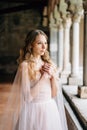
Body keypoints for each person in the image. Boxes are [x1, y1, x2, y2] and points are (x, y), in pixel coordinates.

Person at [0, 29, 68, 130]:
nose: (44, 47)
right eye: (39, 43)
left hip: (49, 110)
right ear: (31, 45)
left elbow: (53, 94)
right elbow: (27, 97)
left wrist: (53, 77)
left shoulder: (50, 65)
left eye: (45, 43)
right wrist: (43, 77)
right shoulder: (25, 66)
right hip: (32, 111)